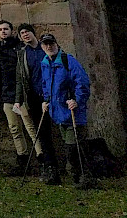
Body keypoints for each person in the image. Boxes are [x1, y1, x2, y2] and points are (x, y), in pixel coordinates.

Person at [35, 33, 93, 189]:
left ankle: (84, 176)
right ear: (42, 46)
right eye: (45, 44)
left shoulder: (68, 61)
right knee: (71, 147)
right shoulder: (45, 63)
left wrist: (77, 101)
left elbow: (83, 83)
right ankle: (77, 176)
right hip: (58, 113)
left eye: (51, 43)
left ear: (56, 44)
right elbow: (46, 85)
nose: (49, 47)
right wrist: (45, 101)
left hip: (74, 113)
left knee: (73, 147)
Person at [14, 24, 59, 184]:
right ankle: (50, 167)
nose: (25, 35)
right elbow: (20, 78)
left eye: (27, 32)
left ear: (33, 33)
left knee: (59, 130)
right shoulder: (23, 54)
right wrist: (18, 99)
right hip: (34, 98)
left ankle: (68, 166)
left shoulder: (45, 48)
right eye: (22, 33)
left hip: (53, 95)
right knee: (43, 133)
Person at [0, 19, 30, 175]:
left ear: (11, 30)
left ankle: (44, 161)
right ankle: (22, 159)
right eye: (0, 29)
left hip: (23, 95)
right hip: (7, 94)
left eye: (6, 29)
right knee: (14, 129)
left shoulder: (20, 48)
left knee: (30, 128)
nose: (3, 31)